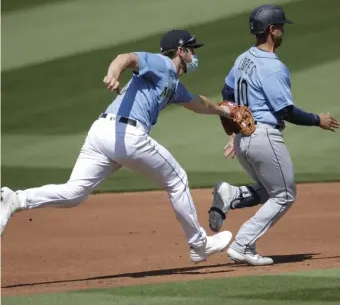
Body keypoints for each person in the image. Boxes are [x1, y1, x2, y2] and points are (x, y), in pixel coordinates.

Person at [1, 29, 237, 263]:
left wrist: (224, 110)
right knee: (178, 180)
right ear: (180, 50)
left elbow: (198, 103)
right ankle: (199, 244)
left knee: (74, 193)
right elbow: (125, 58)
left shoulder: (173, 84)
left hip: (102, 133)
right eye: (192, 49)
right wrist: (113, 74)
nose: (195, 55)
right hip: (126, 135)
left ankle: (16, 199)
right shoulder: (162, 64)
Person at [208, 5, 340, 266]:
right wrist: (318, 120)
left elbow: (226, 92)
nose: (283, 30)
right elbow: (286, 111)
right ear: (271, 30)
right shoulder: (274, 67)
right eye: (280, 26)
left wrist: (234, 129)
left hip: (245, 139)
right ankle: (243, 244)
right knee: (284, 195)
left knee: (271, 191)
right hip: (265, 138)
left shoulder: (242, 58)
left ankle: (231, 195)